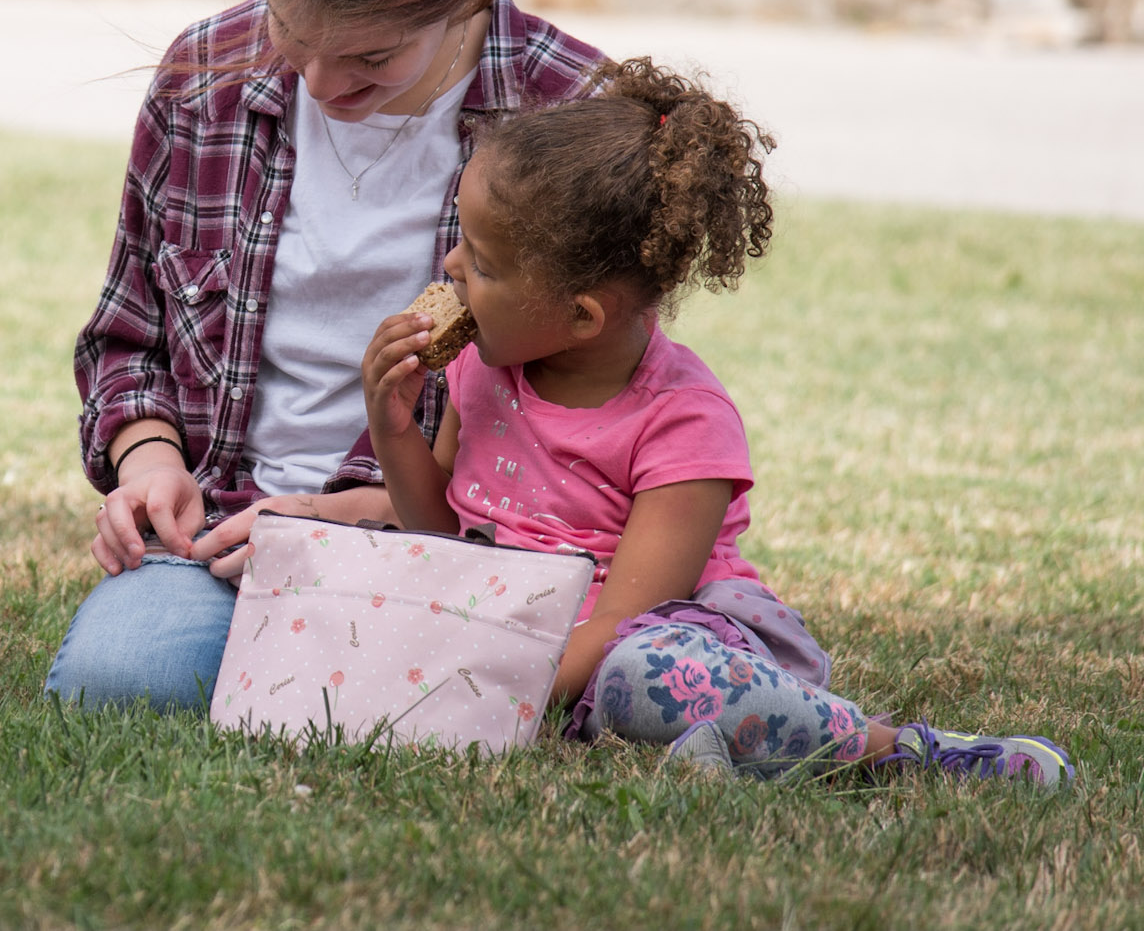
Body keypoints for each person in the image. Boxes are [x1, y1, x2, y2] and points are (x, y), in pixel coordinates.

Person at [361, 58, 1072, 782]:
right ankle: (698, 753)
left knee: (640, 677)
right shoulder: (479, 368)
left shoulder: (683, 422)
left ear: (581, 315)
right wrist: (393, 430)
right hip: (517, 635)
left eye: (481, 262)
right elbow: (443, 540)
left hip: (649, 639)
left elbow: (626, 619)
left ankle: (898, 751)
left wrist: (489, 681)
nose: (450, 264)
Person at [49, 0, 606, 710]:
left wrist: (342, 516)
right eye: (290, 35)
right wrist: (151, 466)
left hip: (460, 549)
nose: (317, 83)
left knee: (451, 695)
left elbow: (595, 417)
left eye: (369, 59)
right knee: (120, 677)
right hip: (226, 535)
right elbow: (128, 336)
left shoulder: (572, 113)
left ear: (464, 0)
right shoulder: (208, 72)